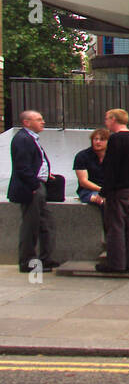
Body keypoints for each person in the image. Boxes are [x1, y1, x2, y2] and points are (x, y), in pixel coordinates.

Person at [7, 110, 60, 273]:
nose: (43, 122)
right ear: (27, 122)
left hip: (38, 185)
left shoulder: (31, 138)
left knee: (46, 223)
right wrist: (34, 185)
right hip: (32, 188)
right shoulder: (23, 139)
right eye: (38, 119)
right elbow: (22, 167)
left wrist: (45, 174)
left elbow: (36, 161)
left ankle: (45, 258)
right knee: (31, 226)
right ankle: (27, 262)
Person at [96, 109, 129, 275]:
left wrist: (103, 191)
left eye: (107, 118)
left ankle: (116, 263)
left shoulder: (116, 139)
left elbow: (112, 168)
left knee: (116, 226)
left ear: (113, 119)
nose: (105, 122)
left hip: (119, 190)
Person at [74, 126, 109, 234]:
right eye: (95, 139)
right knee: (103, 201)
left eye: (102, 139)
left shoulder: (113, 156)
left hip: (109, 189)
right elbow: (83, 181)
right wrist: (102, 190)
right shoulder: (82, 156)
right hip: (89, 190)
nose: (98, 142)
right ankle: (110, 234)